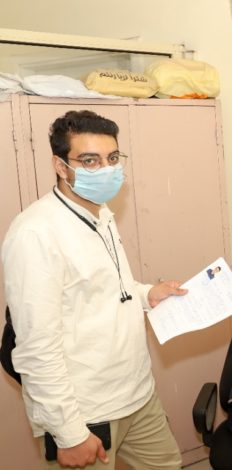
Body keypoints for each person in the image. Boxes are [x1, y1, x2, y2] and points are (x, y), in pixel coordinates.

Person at [2, 110, 187, 469]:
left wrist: (147, 294)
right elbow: (36, 348)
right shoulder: (35, 233)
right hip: (86, 414)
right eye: (89, 160)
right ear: (60, 166)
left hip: (137, 396)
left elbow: (100, 288)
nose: (106, 169)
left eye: (112, 158)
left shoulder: (100, 213)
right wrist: (68, 433)